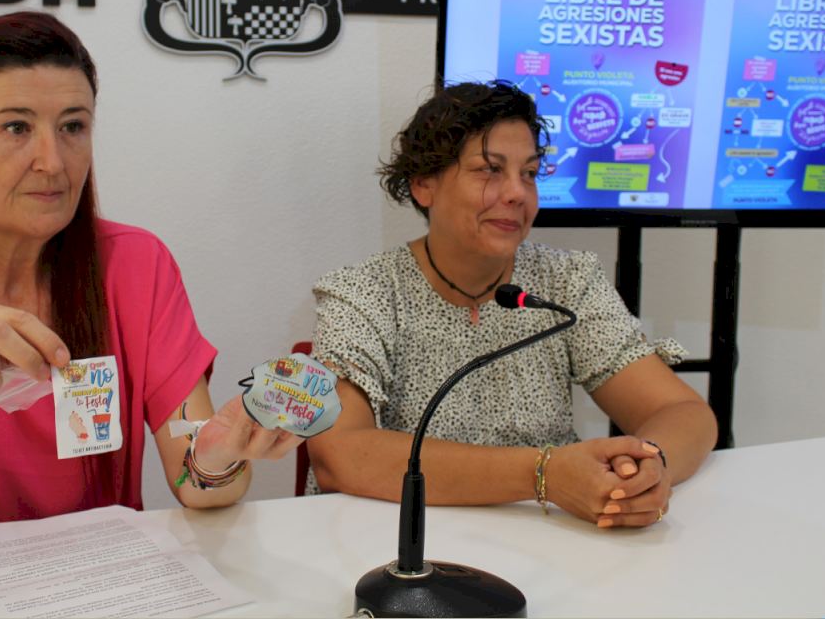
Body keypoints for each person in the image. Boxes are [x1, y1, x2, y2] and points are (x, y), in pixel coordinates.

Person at [0, 11, 301, 564]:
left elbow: (197, 480)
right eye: (16, 128)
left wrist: (218, 456)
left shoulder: (136, 264)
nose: (52, 162)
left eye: (73, 126)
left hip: (102, 583)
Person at [305, 82, 717, 529]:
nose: (518, 193)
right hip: (404, 540)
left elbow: (683, 413)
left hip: (548, 537)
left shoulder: (567, 280)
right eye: (490, 170)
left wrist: (647, 466)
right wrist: (544, 475)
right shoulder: (363, 290)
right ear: (424, 184)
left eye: (530, 173)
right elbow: (339, 454)